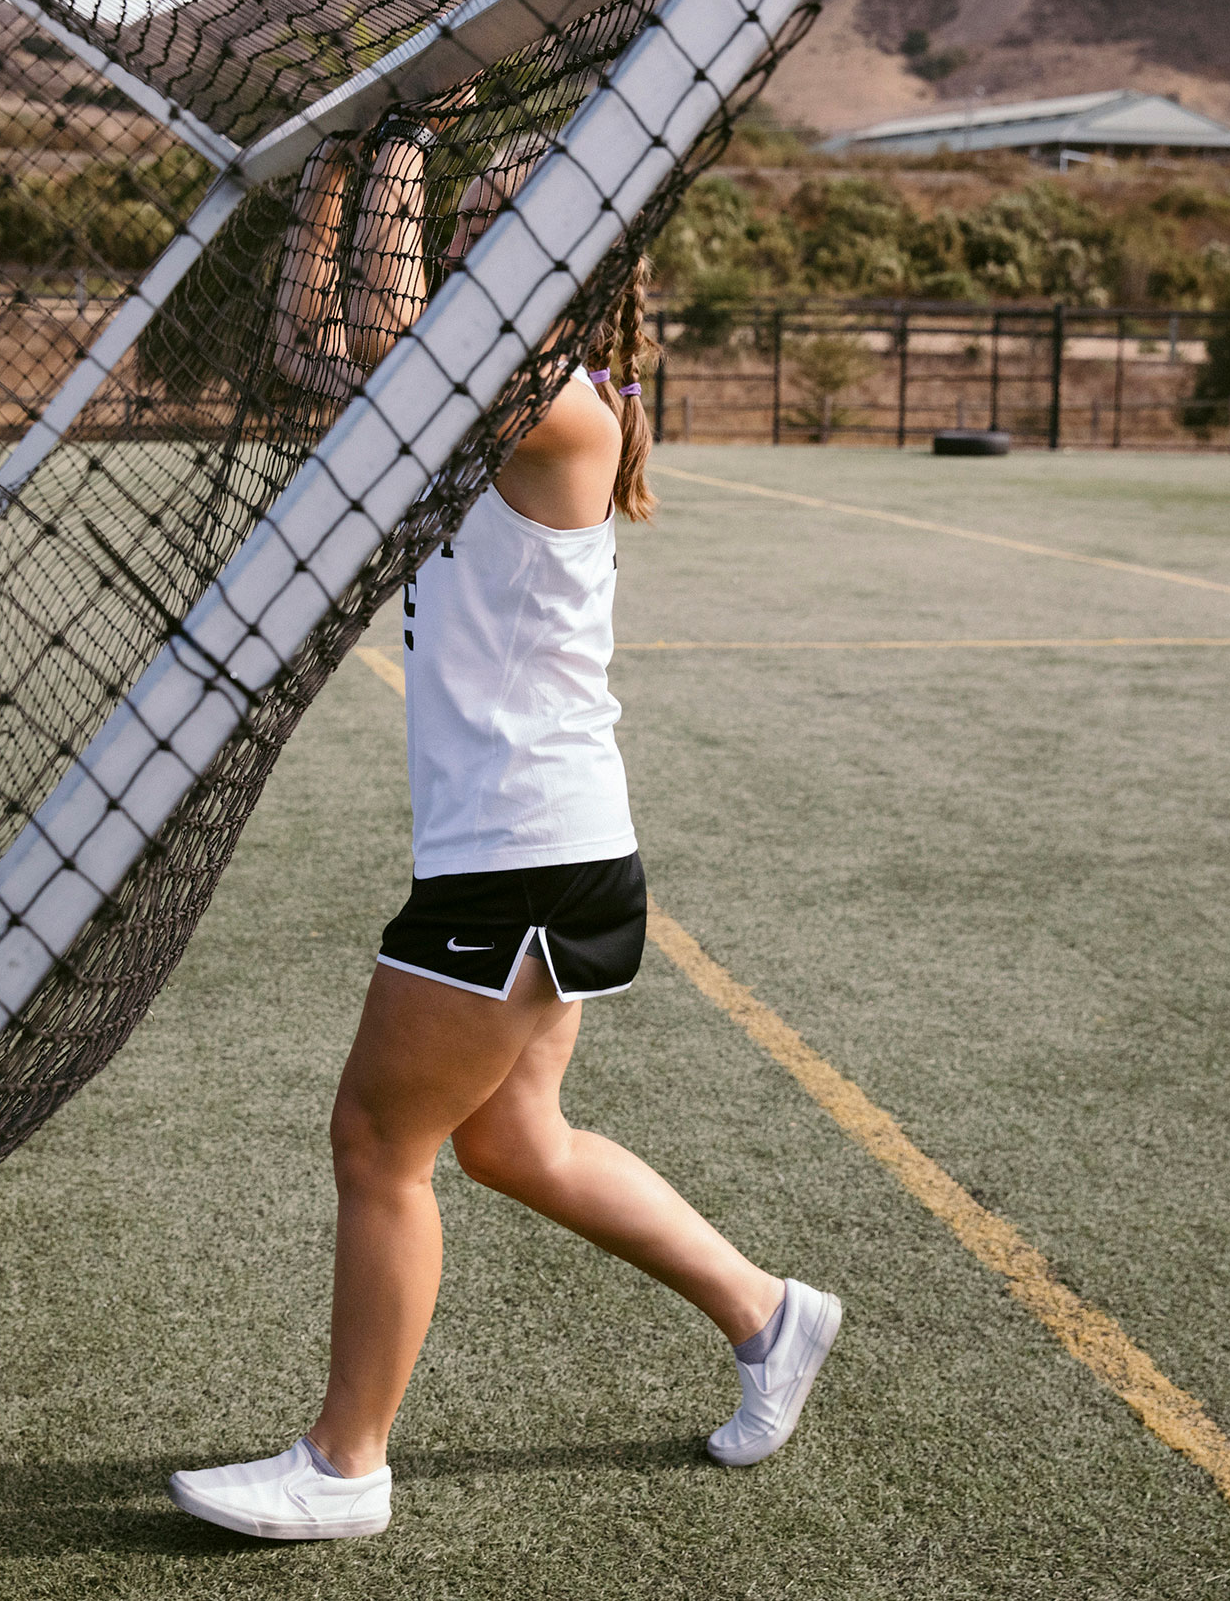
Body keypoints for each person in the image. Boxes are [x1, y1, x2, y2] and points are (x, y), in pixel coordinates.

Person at [166, 114, 841, 1542]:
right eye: (469, 219)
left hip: (524, 853)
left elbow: (393, 342)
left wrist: (408, 132)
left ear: (576, 256)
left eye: (503, 222)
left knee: (376, 1142)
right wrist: (341, 164)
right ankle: (768, 1313)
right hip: (540, 848)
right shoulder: (484, 396)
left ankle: (346, 1466)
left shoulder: (560, 406)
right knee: (515, 1143)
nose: (475, 239)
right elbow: (310, 346)